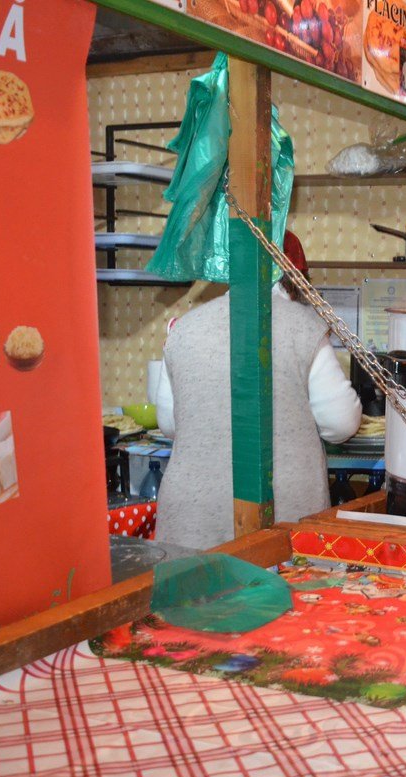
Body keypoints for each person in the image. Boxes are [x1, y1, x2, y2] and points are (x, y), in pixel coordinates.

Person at [154, 231, 363, 549]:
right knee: (276, 582)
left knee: (196, 582)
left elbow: (169, 424)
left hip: (191, 516)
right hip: (279, 514)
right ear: (297, 280)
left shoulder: (183, 327)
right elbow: (340, 423)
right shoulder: (305, 325)